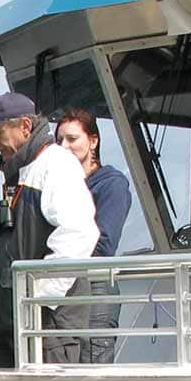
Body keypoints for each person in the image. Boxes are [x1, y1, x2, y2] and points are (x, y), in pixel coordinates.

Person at [0, 92, 99, 367]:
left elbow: (79, 233)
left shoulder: (56, 164)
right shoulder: (23, 170)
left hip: (46, 325)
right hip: (11, 321)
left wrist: (37, 298)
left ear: (25, 127)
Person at [54, 109, 128, 364]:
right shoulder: (60, 187)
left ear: (93, 141)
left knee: (92, 370)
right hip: (65, 290)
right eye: (60, 140)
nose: (64, 146)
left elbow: (104, 244)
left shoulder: (111, 184)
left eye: (72, 138)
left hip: (95, 289)